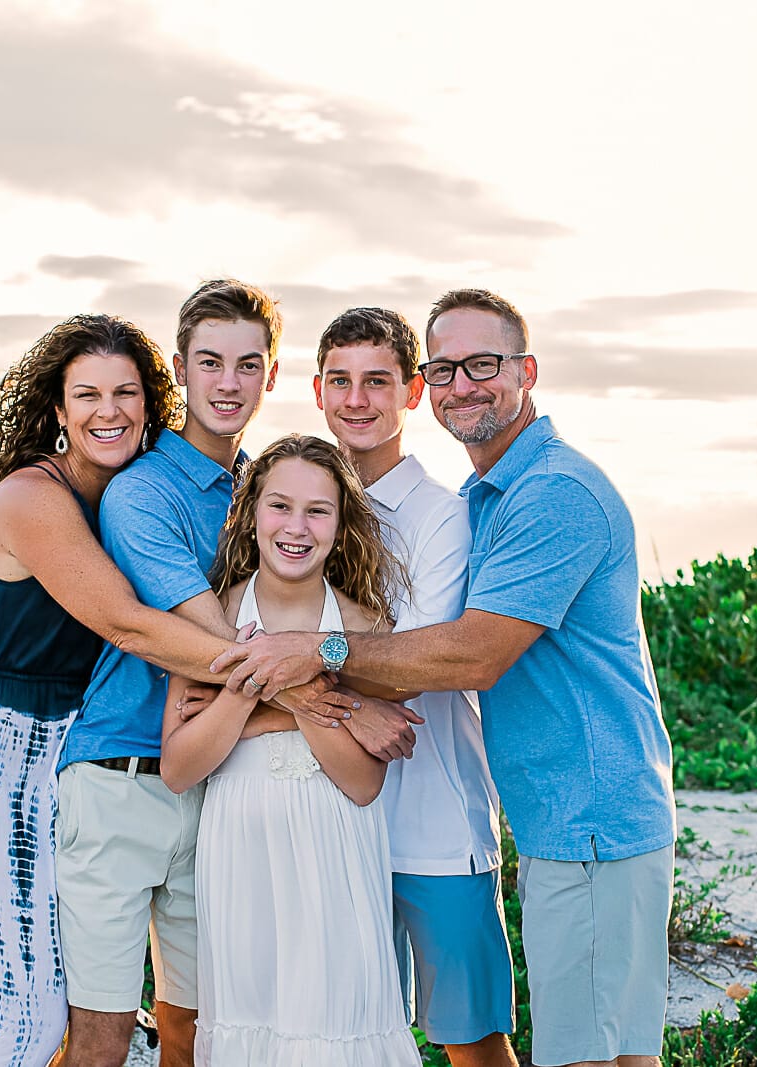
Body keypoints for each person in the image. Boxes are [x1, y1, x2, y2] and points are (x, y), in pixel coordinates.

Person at [216, 289, 678, 1067]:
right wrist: (328, 697)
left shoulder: (545, 494)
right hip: (554, 814)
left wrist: (312, 653)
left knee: (580, 1054)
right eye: (447, 368)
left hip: (586, 813)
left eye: (483, 365)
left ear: (527, 371)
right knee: (606, 1051)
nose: (463, 384)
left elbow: (470, 654)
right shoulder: (488, 496)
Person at [0, 313, 314, 1067]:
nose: (109, 411)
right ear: (58, 410)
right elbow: (130, 625)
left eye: (125, 392)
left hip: (73, 745)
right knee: (14, 1022)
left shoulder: (139, 491)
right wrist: (297, 685)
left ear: (152, 402)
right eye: (87, 395)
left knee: (66, 1008)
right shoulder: (32, 497)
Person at [159, 435, 422, 1066]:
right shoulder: (213, 618)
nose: (296, 527)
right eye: (279, 506)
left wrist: (281, 693)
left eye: (317, 511)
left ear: (341, 523)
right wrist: (264, 696)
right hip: (239, 851)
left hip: (335, 845)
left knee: (335, 1023)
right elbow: (179, 767)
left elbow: (362, 783)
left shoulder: (361, 626)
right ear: (250, 513)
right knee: (251, 1024)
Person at [313, 306, 518, 1067]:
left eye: (378, 380)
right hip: (334, 821)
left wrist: (293, 660)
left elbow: (421, 657)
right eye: (340, 381)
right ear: (317, 391)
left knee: (473, 1043)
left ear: (411, 392)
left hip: (435, 827)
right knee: (354, 1039)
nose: (357, 399)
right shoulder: (298, 509)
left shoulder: (442, 516)